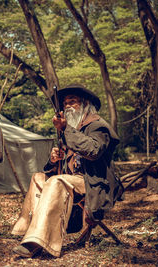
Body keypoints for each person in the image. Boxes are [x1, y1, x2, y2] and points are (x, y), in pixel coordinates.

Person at [11, 84, 124, 258]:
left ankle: (37, 242)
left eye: (73, 101)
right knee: (38, 178)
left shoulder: (99, 126)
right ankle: (29, 230)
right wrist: (54, 159)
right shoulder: (71, 129)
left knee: (57, 181)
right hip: (71, 181)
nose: (68, 106)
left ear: (85, 104)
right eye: (65, 103)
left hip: (94, 183)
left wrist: (65, 129)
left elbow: (93, 151)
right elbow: (60, 168)